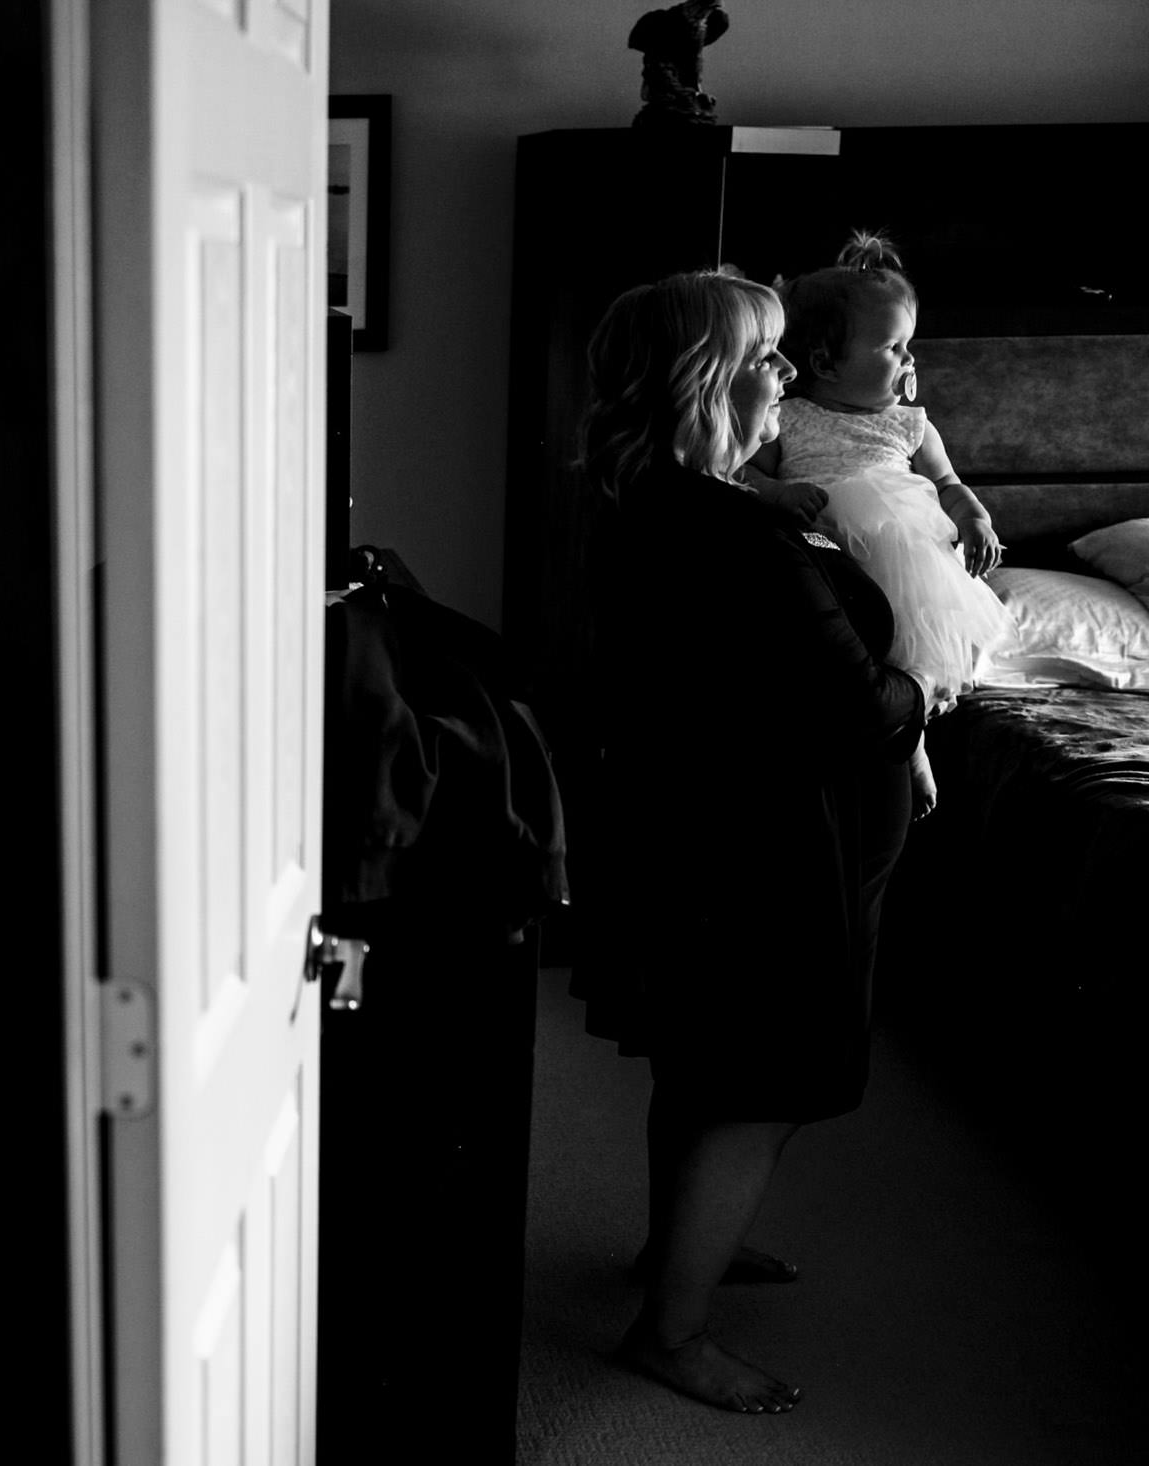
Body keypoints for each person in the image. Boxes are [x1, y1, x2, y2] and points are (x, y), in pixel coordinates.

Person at [571, 270, 926, 1415]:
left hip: (696, 824)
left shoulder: (655, 496)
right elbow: (861, 707)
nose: (787, 374)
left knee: (700, 1057)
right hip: (762, 845)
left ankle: (677, 1248)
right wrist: (931, 678)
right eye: (768, 356)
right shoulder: (733, 536)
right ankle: (671, 1331)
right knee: (757, 1084)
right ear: (706, 380)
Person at [747, 230, 1015, 818]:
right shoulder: (787, 418)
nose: (910, 361)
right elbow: (749, 477)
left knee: (903, 650)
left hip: (900, 550)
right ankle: (907, 744)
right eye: (894, 347)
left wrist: (973, 517)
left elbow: (948, 485)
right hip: (827, 550)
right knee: (856, 656)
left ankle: (912, 745)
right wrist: (780, 492)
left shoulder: (911, 425)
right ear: (824, 362)